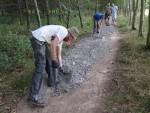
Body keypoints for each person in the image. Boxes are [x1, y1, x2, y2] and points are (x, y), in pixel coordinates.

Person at [28, 25, 79, 107]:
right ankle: (33, 97)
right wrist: (54, 61)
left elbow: (58, 55)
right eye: (71, 39)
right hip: (37, 39)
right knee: (40, 66)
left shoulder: (60, 39)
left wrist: (60, 67)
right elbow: (52, 45)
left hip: (41, 41)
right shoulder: (64, 31)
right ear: (70, 34)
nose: (70, 41)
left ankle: (51, 81)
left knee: (48, 59)